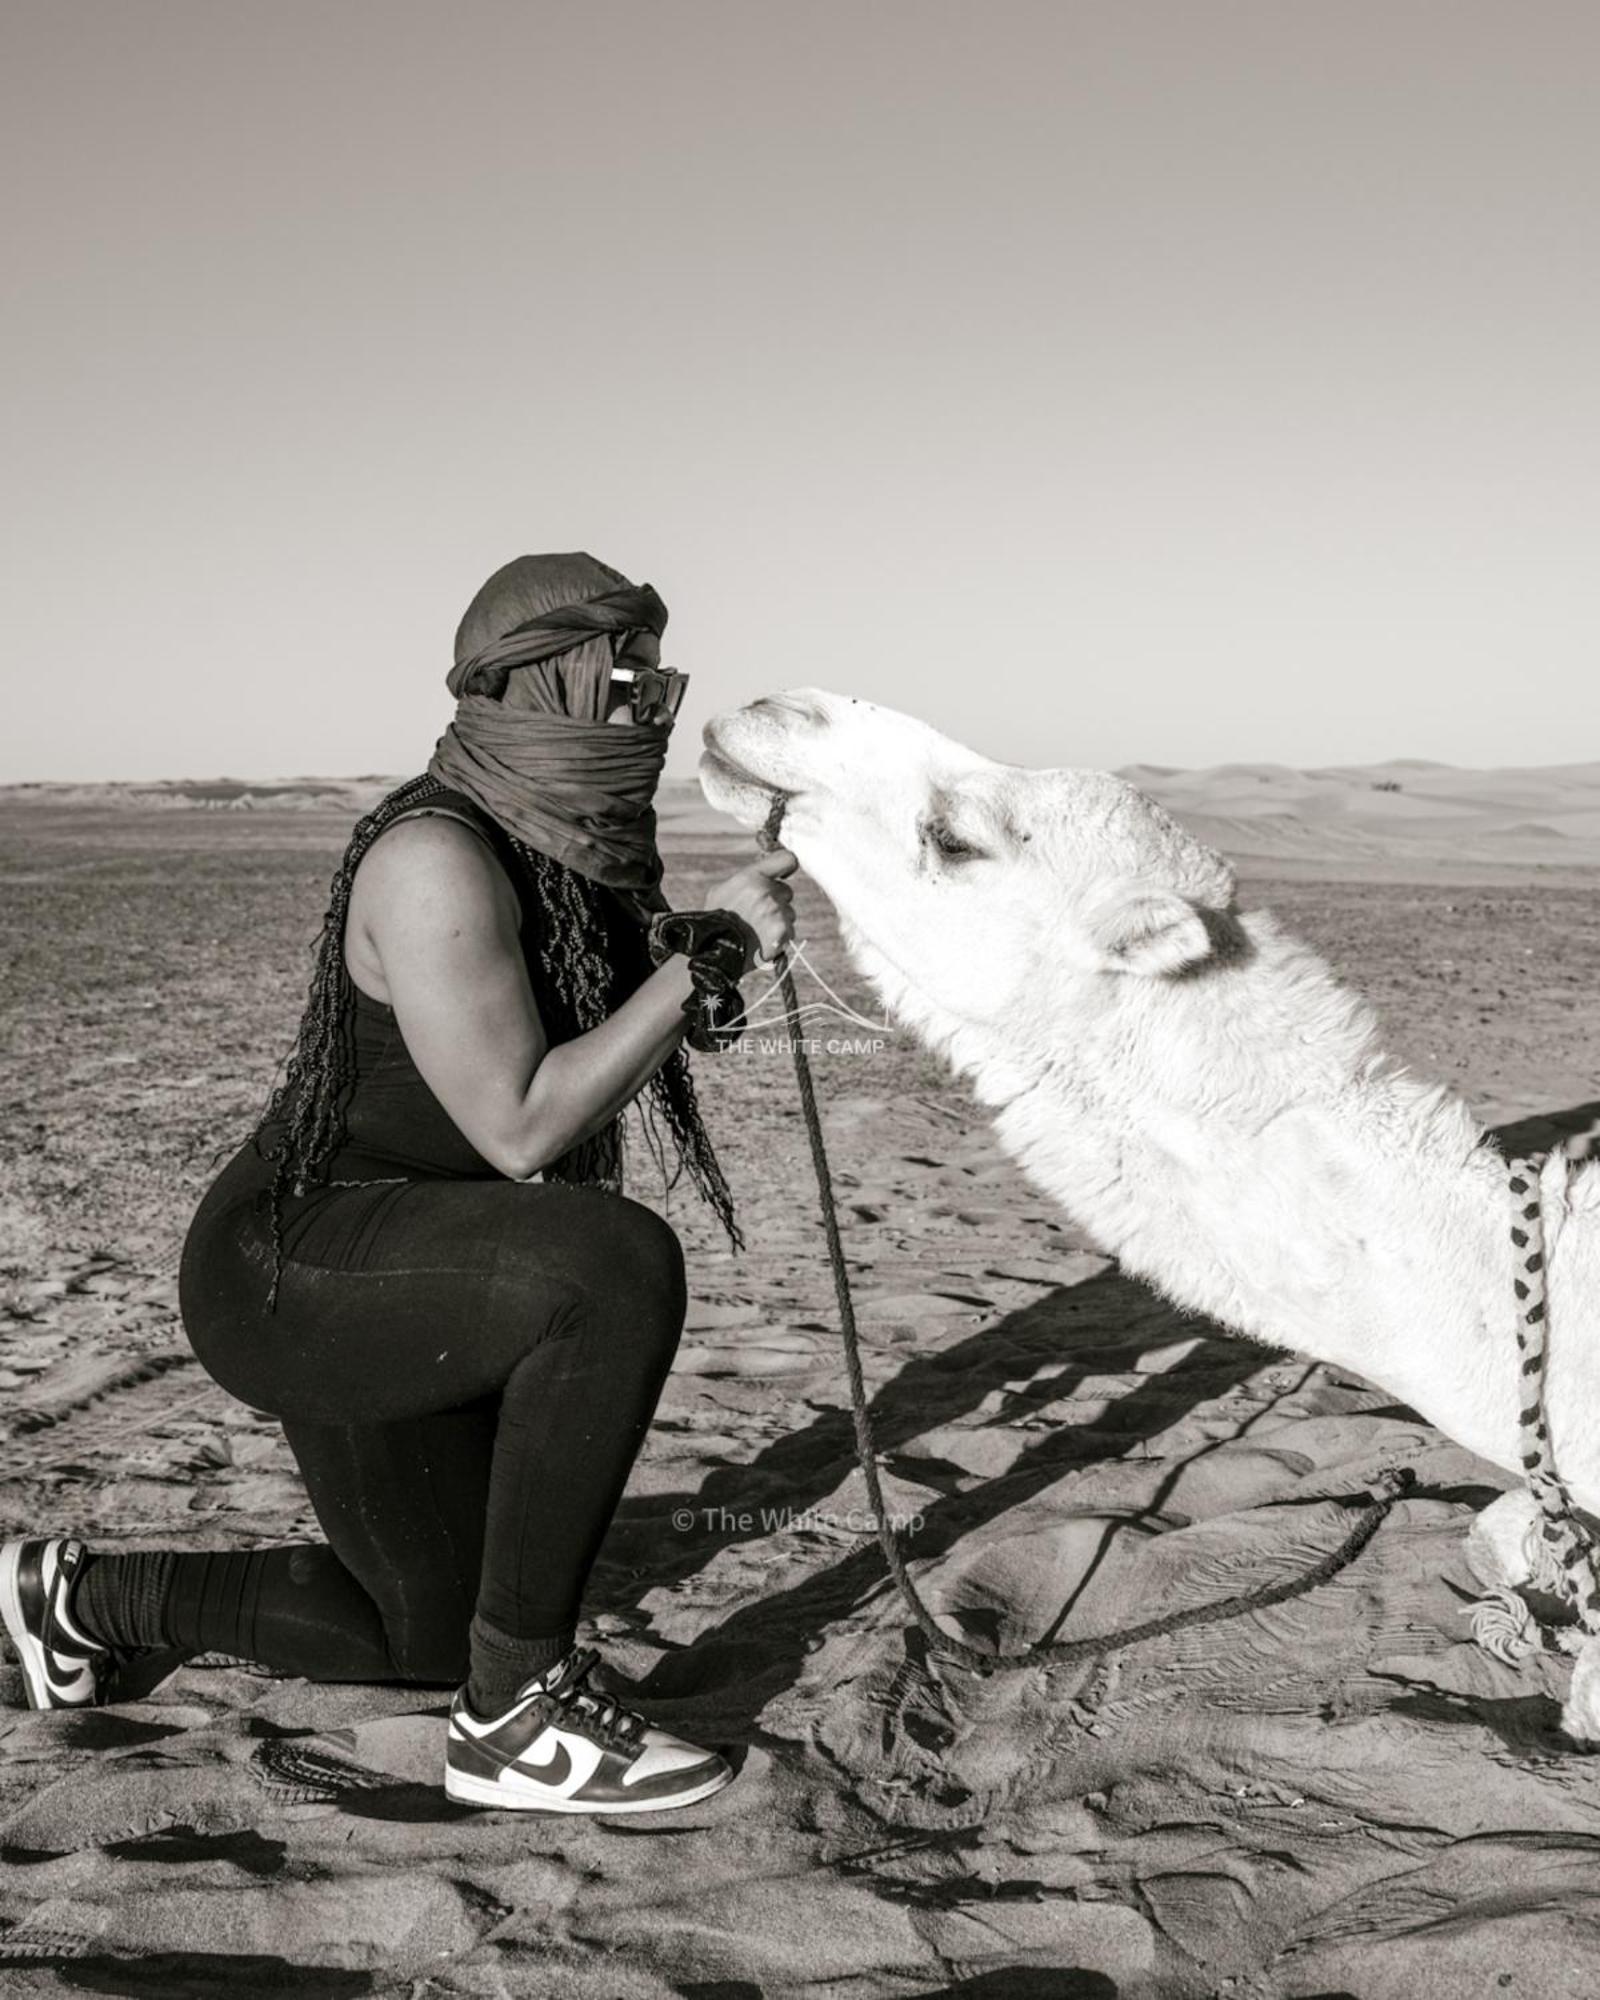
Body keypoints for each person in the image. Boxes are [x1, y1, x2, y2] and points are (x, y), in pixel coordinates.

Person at [0, 552, 797, 1815]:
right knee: (611, 1261)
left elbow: (572, 1056)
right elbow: (525, 1128)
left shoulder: (572, 849)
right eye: (625, 670)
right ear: (545, 681)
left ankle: (79, 1596)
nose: (651, 699)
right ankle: (523, 1712)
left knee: (426, 1636)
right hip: (302, 1267)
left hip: (424, 1263)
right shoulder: (438, 853)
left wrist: (683, 963)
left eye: (660, 669)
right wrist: (701, 970)